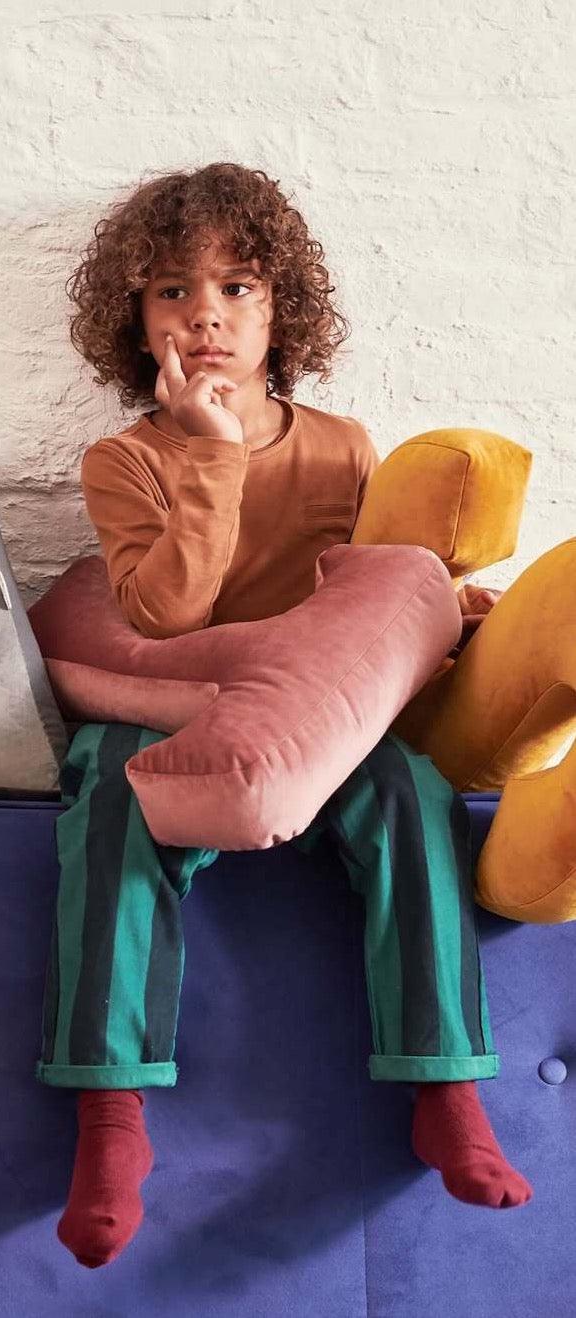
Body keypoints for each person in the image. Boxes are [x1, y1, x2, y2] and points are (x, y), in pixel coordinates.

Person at [39, 162, 530, 1270]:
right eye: (171, 291)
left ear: (283, 311)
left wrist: (447, 610)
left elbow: (356, 599)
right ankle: (110, 1117)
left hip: (306, 719)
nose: (204, 314)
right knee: (105, 788)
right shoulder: (126, 459)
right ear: (133, 317)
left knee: (411, 789)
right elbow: (164, 611)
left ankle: (444, 1086)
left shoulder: (345, 446)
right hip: (173, 695)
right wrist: (208, 456)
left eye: (237, 288)